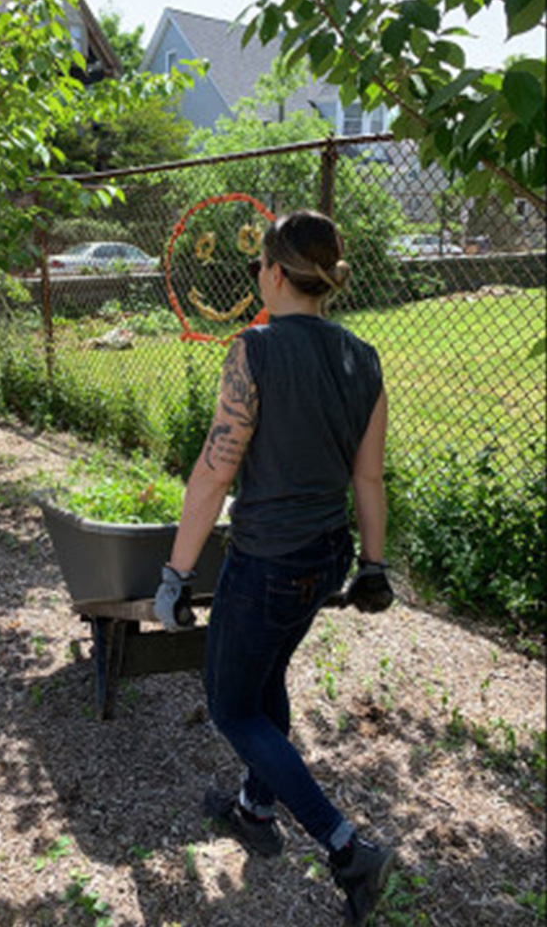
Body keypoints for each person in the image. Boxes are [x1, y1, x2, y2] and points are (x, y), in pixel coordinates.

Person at [155, 210, 396, 927]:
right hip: (328, 557)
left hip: (268, 560)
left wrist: (174, 576)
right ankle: (256, 808)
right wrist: (374, 566)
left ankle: (347, 847)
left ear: (272, 272)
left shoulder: (253, 349)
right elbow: (370, 481)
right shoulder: (363, 357)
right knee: (268, 679)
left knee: (232, 707)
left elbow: (214, 471)